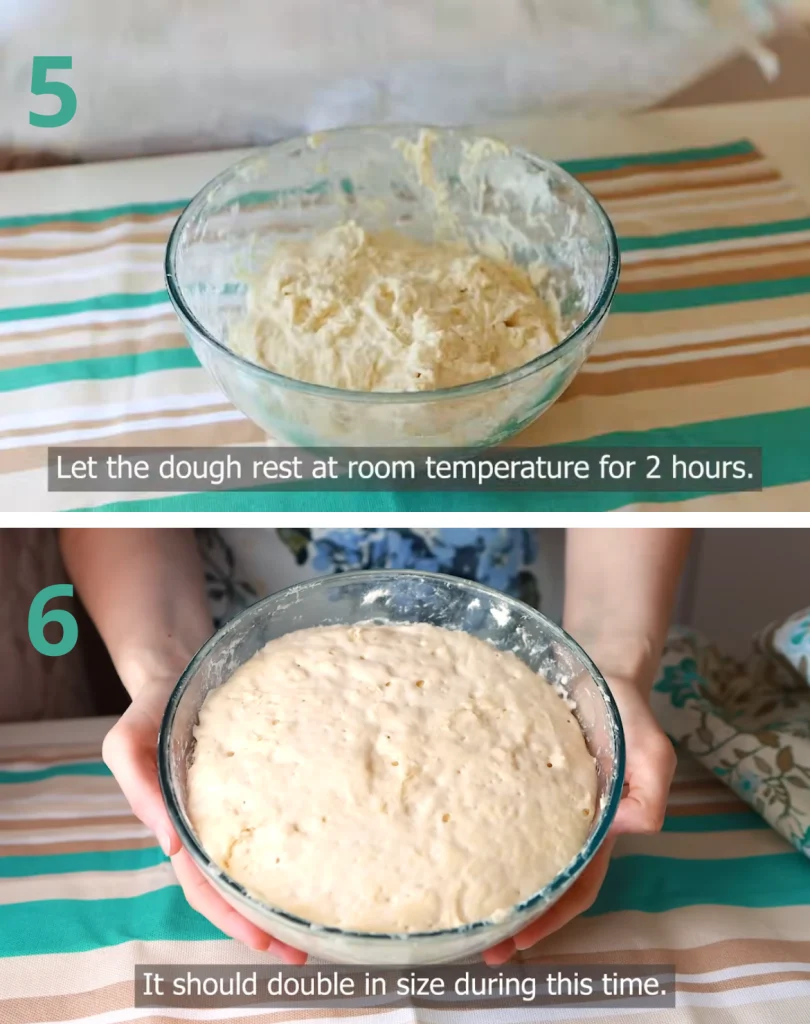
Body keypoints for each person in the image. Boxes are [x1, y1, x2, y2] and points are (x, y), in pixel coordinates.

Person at [60, 527, 690, 964]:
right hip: (226, 638)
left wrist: (608, 668)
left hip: (522, 657)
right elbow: (115, 494)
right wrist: (166, 678)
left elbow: (634, 455)